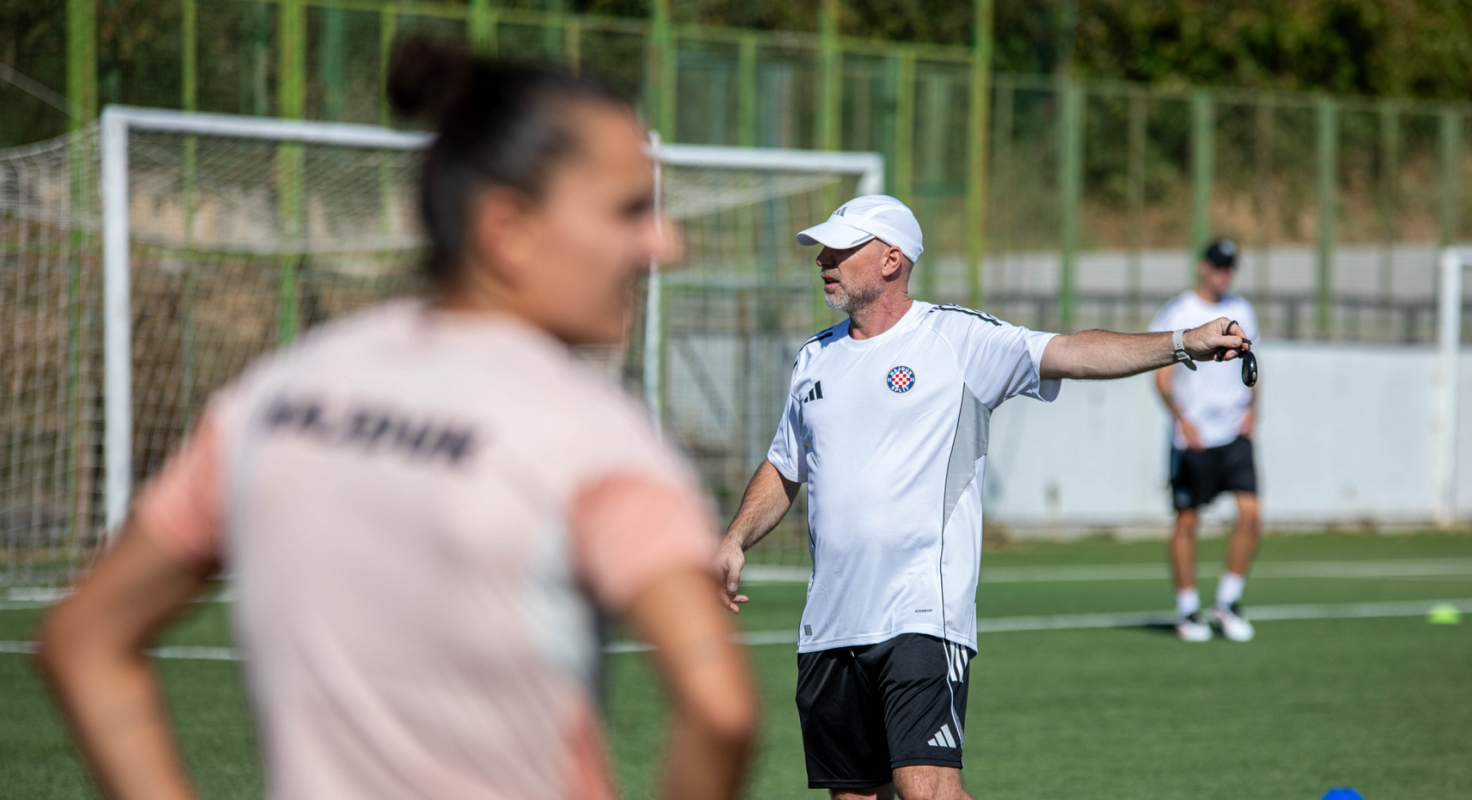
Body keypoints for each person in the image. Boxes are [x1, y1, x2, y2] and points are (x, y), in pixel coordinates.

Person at [35, 38, 757, 800]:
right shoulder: (588, 435)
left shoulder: (277, 394)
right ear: (508, 229)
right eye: (631, 211)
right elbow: (720, 710)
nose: (665, 245)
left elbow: (85, 638)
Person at [714, 195, 1251, 800]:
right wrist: (735, 538)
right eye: (823, 250)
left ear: (891, 260)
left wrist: (1182, 342)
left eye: (841, 249)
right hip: (830, 625)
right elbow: (784, 466)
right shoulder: (814, 357)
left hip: (921, 613)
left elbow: (1071, 352)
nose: (823, 260)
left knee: (928, 790)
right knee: (855, 796)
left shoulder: (956, 339)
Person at [1149, 237, 1261, 643]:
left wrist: (1254, 410)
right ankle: (1187, 609)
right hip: (1193, 438)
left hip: (1233, 432)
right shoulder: (1180, 312)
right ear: (1203, 266)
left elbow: (1253, 365)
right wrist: (1183, 421)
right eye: (1218, 265)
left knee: (1251, 515)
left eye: (1230, 267)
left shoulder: (1242, 310)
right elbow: (1162, 378)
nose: (1223, 273)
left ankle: (1227, 603)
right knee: (1187, 521)